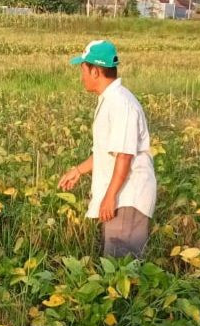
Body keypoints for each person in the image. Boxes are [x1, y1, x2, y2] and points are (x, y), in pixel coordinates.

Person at [58, 40, 157, 258]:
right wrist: (78, 171)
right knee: (114, 265)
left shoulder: (121, 104)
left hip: (128, 196)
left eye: (83, 69)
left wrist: (110, 196)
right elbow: (108, 152)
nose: (81, 76)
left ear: (95, 71)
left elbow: (124, 155)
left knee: (122, 270)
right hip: (121, 194)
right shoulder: (111, 100)